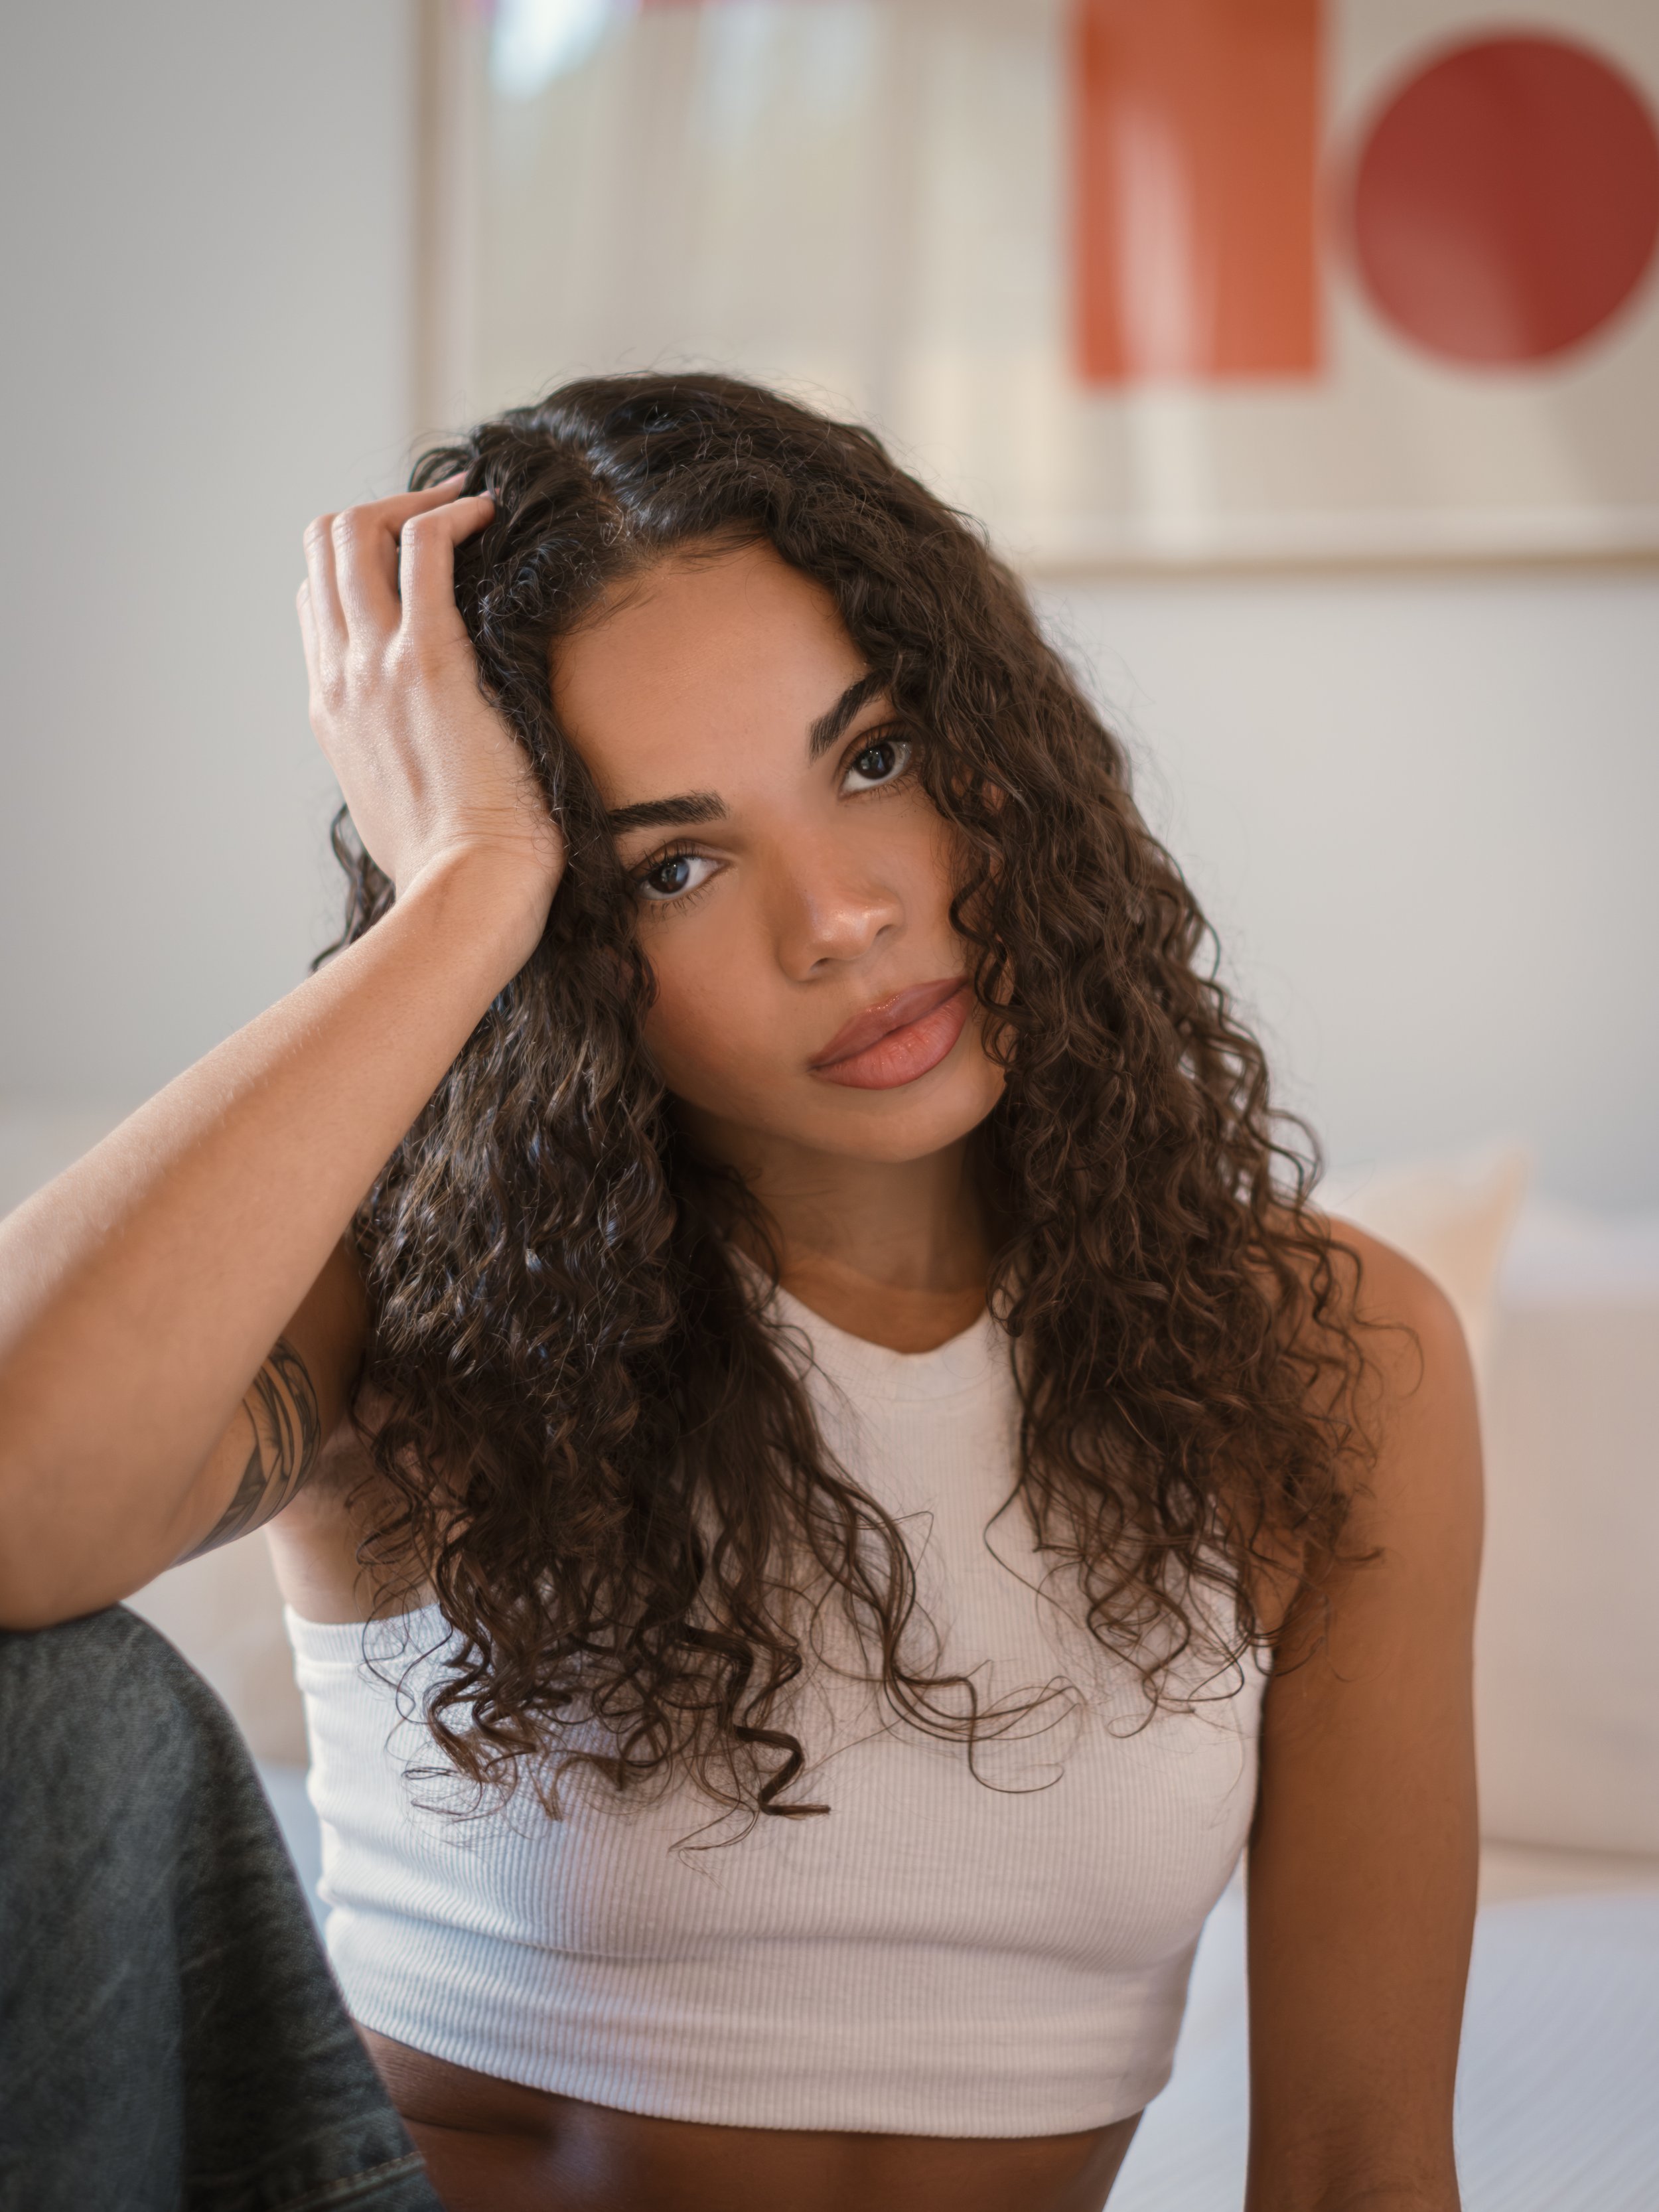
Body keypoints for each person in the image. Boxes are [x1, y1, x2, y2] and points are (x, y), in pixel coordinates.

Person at [0, 374, 1482, 2212]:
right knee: (59, 1705)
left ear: (999, 739)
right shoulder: (416, 1311)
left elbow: (1354, 2168)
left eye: (872, 758)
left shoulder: (1325, 1356)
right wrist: (459, 894)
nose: (840, 918)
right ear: (568, 940)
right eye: (673, 866)